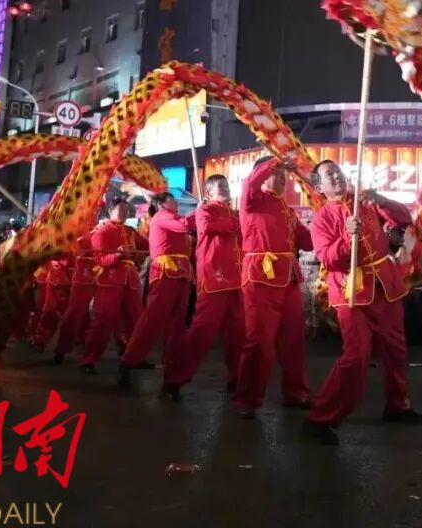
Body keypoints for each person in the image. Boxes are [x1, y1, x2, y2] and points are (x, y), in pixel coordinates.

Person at [302, 160, 422, 444]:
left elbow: (402, 218)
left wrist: (381, 200)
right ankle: (320, 418)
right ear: (319, 188)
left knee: (396, 349)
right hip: (351, 292)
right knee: (356, 356)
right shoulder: (322, 218)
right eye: (329, 175)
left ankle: (398, 405)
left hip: (384, 285)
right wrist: (348, 236)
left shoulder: (364, 201)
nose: (336, 176)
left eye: (337, 171)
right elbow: (328, 259)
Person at [232, 155, 313, 418]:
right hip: (260, 277)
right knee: (259, 342)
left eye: (282, 175)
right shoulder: (252, 199)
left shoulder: (288, 210)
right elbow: (250, 183)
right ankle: (247, 399)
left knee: (294, 340)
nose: (280, 179)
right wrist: (275, 160)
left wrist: (335, 227)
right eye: (274, 174)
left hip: (289, 278)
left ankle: (296, 392)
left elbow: (308, 241)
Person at [169, 175, 245, 392]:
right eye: (221, 186)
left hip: (237, 280)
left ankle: (237, 377)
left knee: (238, 334)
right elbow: (207, 226)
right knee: (201, 332)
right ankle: (176, 377)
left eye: (227, 184)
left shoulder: (234, 213)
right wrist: (236, 223)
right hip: (214, 278)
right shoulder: (204, 210)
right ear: (209, 192)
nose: (226, 188)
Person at [118, 192, 192, 399]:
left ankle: (172, 379)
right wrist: (204, 210)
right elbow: (184, 225)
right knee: (151, 321)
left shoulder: (174, 219)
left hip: (181, 274)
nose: (175, 202)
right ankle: (128, 361)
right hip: (164, 273)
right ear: (160, 205)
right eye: (171, 200)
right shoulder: (162, 217)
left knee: (177, 328)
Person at [81, 197, 148, 374]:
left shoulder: (131, 231)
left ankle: (134, 356)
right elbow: (100, 259)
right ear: (110, 211)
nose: (125, 212)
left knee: (137, 319)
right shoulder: (101, 231)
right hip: (110, 280)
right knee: (103, 320)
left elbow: (147, 245)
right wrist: (118, 255)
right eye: (121, 209)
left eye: (127, 209)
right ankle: (89, 359)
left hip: (131, 280)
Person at [53, 233, 98, 365]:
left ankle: (87, 347)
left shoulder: (98, 232)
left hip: (101, 277)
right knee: (74, 313)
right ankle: (63, 348)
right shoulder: (76, 236)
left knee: (91, 317)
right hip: (82, 277)